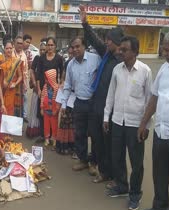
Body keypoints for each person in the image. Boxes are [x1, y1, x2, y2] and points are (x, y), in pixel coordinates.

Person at [103, 36, 152, 210]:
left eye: (124, 49)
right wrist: (106, 117)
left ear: (135, 52)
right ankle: (122, 187)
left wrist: (145, 126)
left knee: (136, 162)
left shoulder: (145, 71)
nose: (120, 52)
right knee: (117, 157)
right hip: (117, 121)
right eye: (120, 49)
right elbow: (111, 94)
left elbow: (149, 101)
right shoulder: (117, 69)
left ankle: (135, 194)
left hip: (135, 125)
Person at [138, 29, 169, 210]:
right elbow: (154, 98)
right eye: (164, 50)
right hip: (160, 133)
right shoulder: (164, 68)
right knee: (159, 176)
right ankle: (159, 208)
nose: (165, 54)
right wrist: (144, 123)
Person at [79, 4, 125, 184]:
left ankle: (112, 174)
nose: (106, 42)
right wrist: (85, 23)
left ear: (117, 43)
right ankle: (103, 170)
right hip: (96, 104)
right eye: (106, 40)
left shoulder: (121, 61)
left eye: (109, 41)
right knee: (97, 139)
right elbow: (93, 39)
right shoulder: (106, 54)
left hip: (110, 109)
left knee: (110, 144)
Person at [61, 37, 101, 173]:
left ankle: (94, 163)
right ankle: (82, 160)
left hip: (93, 103)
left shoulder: (95, 59)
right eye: (73, 47)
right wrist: (63, 104)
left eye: (78, 46)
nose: (75, 49)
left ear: (84, 46)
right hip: (78, 102)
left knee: (95, 134)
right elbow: (67, 85)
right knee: (79, 133)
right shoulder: (71, 65)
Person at [0, 40, 23, 140]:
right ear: (3, 48)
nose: (9, 50)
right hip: (0, 91)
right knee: (0, 113)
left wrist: (15, 84)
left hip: (11, 92)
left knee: (9, 113)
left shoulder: (16, 61)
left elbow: (20, 77)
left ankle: (8, 136)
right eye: (7, 48)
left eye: (11, 48)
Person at [56, 44, 75, 155]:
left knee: (74, 123)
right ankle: (63, 146)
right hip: (67, 96)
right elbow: (63, 78)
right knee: (64, 120)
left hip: (76, 96)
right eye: (71, 52)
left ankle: (73, 147)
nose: (72, 54)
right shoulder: (68, 63)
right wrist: (63, 84)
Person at [26, 42, 46, 138]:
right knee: (35, 110)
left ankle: (43, 133)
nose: (42, 51)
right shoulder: (37, 58)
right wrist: (34, 82)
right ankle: (33, 131)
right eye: (41, 49)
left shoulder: (48, 59)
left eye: (44, 50)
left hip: (46, 90)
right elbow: (32, 70)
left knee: (43, 112)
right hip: (36, 89)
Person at [40, 69, 60, 148]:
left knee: (54, 126)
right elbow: (42, 97)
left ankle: (54, 139)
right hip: (46, 109)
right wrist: (42, 108)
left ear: (51, 79)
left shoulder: (57, 88)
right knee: (46, 125)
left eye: (47, 79)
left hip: (54, 110)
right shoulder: (45, 87)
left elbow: (59, 100)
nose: (45, 81)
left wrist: (57, 109)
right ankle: (47, 139)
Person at [13, 36, 29, 121]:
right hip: (12, 83)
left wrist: (26, 85)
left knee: (23, 101)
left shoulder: (24, 55)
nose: (20, 45)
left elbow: (25, 72)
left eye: (21, 43)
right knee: (13, 104)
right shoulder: (11, 53)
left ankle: (22, 118)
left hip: (22, 83)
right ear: (14, 44)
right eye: (18, 43)